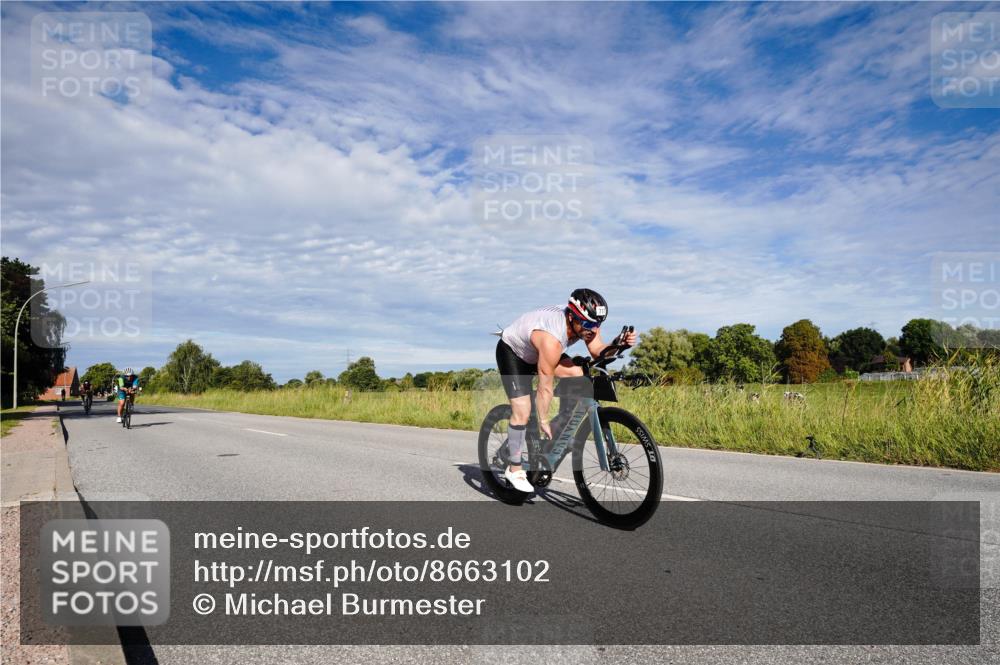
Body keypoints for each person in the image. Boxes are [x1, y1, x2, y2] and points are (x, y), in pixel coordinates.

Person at [495, 288, 637, 493]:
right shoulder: (552, 336)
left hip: (539, 352)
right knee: (523, 411)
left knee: (579, 373)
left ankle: (556, 425)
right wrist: (543, 419)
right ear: (572, 317)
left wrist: (618, 343)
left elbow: (598, 351)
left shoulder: (587, 322)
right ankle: (514, 469)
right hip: (514, 353)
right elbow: (545, 387)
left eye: (597, 325)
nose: (593, 329)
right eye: (588, 324)